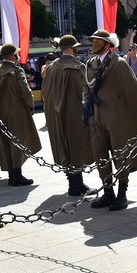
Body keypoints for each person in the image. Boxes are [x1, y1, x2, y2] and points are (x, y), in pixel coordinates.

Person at [84, 29, 137, 211]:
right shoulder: (91, 63)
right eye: (93, 40)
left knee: (120, 154)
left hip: (116, 118)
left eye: (98, 40)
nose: (94, 43)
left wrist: (134, 115)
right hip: (97, 117)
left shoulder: (119, 64)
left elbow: (134, 90)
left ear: (107, 44)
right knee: (99, 155)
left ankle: (122, 193)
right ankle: (107, 191)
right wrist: (85, 106)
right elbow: (86, 88)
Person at [42, 34, 96, 196]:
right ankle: (77, 185)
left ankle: (73, 183)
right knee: (77, 147)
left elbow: (46, 89)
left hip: (56, 113)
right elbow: (86, 91)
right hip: (75, 113)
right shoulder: (78, 67)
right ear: (73, 48)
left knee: (65, 145)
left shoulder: (52, 67)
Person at [0, 44, 40, 186]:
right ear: (12, 56)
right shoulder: (17, 70)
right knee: (17, 141)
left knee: (5, 141)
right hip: (16, 111)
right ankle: (17, 175)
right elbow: (26, 91)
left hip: (0, 111)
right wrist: (30, 106)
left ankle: (11, 173)